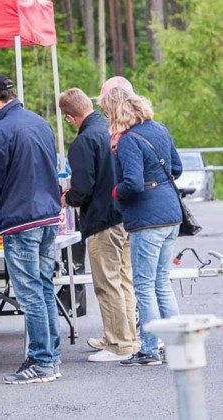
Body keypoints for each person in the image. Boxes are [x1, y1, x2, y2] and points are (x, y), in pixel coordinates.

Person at [0, 74, 61, 384]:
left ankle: (41, 360)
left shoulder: (0, 132)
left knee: (30, 293)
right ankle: (52, 356)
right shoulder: (40, 122)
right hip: (48, 216)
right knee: (45, 288)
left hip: (21, 219)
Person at [99, 85, 182, 366]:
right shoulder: (158, 128)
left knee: (144, 286)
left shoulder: (128, 140)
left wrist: (114, 192)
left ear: (115, 111)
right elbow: (177, 169)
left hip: (147, 219)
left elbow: (132, 185)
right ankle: (176, 345)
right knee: (162, 283)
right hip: (171, 213)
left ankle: (148, 348)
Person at [58, 88, 138, 362]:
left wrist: (67, 196)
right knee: (124, 280)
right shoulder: (112, 129)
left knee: (107, 283)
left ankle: (118, 344)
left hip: (102, 220)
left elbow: (83, 187)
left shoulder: (83, 142)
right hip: (126, 216)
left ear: (70, 117)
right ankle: (129, 338)